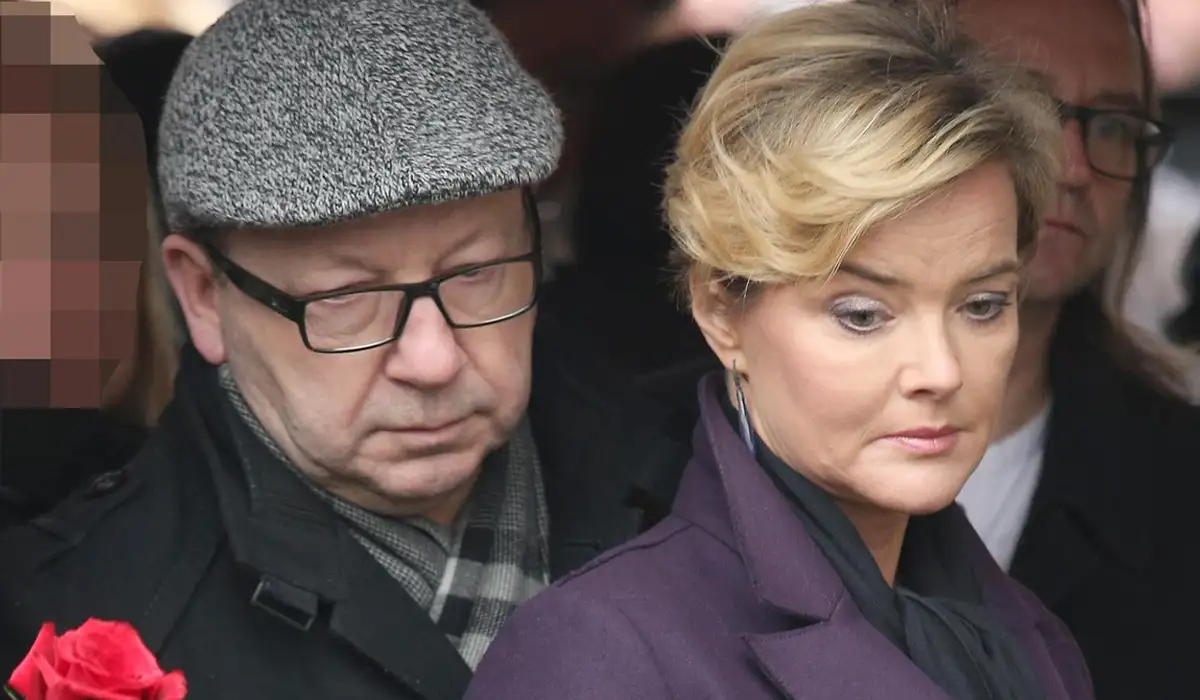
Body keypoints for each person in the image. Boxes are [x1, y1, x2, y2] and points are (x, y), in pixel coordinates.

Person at [0, 0, 687, 697]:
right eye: (345, 299)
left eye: (476, 273)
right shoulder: (72, 632)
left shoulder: (696, 483)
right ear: (203, 295)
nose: (433, 360)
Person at [464, 3, 1088, 699]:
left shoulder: (1029, 639)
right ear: (721, 313)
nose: (940, 371)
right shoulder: (596, 656)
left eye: (982, 305)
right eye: (862, 315)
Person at [951, 1, 1200, 696]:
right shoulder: (700, 443)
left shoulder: (1179, 490)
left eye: (1114, 125)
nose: (1073, 167)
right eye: (1020, 108)